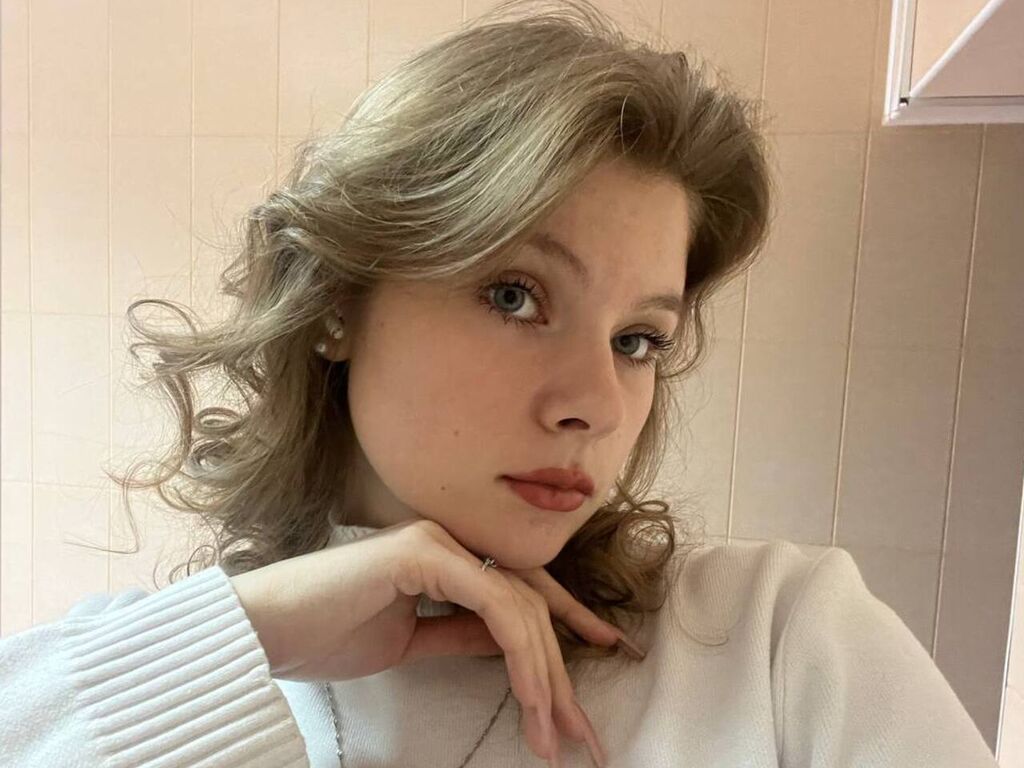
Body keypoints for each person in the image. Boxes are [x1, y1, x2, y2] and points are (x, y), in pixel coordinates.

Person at [0, 1, 1001, 766]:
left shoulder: (775, 642)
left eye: (638, 339)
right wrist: (247, 632)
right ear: (338, 300)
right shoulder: (148, 673)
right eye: (515, 297)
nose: (595, 405)